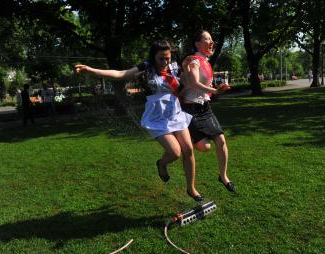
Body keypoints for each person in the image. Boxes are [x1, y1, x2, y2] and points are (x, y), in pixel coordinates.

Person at [75, 40, 204, 201]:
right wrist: (90, 70)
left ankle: (191, 188)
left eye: (168, 58)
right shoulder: (146, 67)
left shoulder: (174, 67)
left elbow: (191, 78)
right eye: (161, 59)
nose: (165, 62)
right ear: (153, 57)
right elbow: (120, 74)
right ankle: (162, 164)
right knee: (175, 152)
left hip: (175, 113)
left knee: (189, 150)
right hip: (156, 116)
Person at [180, 30, 235, 193]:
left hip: (205, 107)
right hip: (191, 109)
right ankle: (186, 138)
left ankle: (223, 176)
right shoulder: (195, 61)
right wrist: (216, 91)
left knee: (221, 140)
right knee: (205, 147)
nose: (211, 42)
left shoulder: (205, 61)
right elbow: (195, 83)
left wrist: (215, 91)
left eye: (212, 39)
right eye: (207, 39)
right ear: (197, 44)